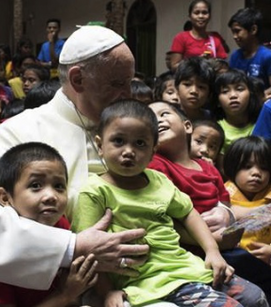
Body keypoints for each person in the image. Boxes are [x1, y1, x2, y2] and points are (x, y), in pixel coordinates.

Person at [0, 25, 150, 291]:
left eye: (129, 82)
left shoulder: (131, 129)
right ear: (78, 80)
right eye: (117, 84)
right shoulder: (20, 132)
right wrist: (70, 247)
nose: (128, 94)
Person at [72, 99, 267, 307]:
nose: (129, 151)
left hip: (186, 267)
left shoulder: (158, 180)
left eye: (140, 143)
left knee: (256, 297)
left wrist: (212, 251)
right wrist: (106, 292)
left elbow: (188, 213)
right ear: (100, 145)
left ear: (152, 151)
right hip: (147, 281)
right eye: (118, 141)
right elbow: (90, 251)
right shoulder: (94, 192)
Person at [147, 101, 271, 303]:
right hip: (191, 252)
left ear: (187, 126)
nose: (157, 120)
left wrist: (230, 222)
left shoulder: (208, 168)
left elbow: (226, 207)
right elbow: (164, 221)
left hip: (226, 248)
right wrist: (215, 242)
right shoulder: (156, 167)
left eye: (164, 114)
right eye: (150, 119)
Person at [0, 142, 98, 307]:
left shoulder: (60, 224)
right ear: (5, 197)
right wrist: (64, 295)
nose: (51, 196)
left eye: (59, 186)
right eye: (36, 186)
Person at [223, 136, 271, 303]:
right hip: (236, 266)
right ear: (232, 167)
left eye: (264, 168)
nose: (256, 173)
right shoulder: (222, 194)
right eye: (247, 166)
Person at [214, 69, 261, 177]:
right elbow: (222, 169)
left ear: (250, 94)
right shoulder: (217, 130)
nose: (233, 95)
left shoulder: (261, 123)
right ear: (218, 102)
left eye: (239, 89)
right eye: (225, 91)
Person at [169, 0, 227, 72]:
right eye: (196, 13)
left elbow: (224, 67)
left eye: (204, 13)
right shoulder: (181, 38)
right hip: (190, 81)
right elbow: (174, 66)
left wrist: (212, 63)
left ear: (209, 16)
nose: (201, 16)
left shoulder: (215, 39)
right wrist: (197, 61)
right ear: (190, 16)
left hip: (210, 82)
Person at [228, 7, 271, 99]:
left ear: (253, 30)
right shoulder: (235, 56)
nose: (234, 37)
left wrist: (258, 98)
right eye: (233, 32)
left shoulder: (267, 56)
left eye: (237, 31)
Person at [174, 56, 214, 121]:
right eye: (187, 84)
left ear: (209, 93)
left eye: (201, 87)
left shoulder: (213, 119)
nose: (194, 91)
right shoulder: (168, 118)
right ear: (177, 88)